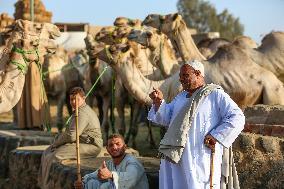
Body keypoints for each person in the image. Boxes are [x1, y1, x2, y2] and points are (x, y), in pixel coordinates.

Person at [148, 60, 245, 189]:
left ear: (198, 74)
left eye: (185, 76)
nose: (181, 80)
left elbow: (237, 117)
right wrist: (159, 102)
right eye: (180, 77)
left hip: (200, 155)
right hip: (177, 154)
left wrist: (216, 136)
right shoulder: (181, 97)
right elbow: (166, 118)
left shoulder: (214, 94)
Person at [38, 86, 103, 189]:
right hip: (80, 142)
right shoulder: (78, 110)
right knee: (47, 151)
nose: (73, 102)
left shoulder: (83, 113)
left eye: (76, 99)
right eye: (71, 99)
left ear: (84, 98)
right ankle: (42, 184)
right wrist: (57, 141)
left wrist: (56, 143)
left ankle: (47, 186)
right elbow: (70, 133)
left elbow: (72, 135)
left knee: (54, 156)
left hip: (91, 146)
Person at [74, 134, 149, 189]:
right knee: (91, 183)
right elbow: (95, 175)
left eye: (118, 144)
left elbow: (131, 177)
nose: (114, 147)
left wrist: (111, 175)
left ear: (125, 147)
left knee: (105, 186)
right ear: (107, 149)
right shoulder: (109, 164)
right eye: (111, 145)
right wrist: (82, 183)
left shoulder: (132, 162)